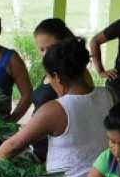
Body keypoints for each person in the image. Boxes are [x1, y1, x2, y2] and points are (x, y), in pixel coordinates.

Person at [0, 36, 112, 177]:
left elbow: (13, 146)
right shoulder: (108, 95)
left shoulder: (55, 109)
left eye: (49, 77)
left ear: (58, 78)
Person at [28, 17, 91, 162]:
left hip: (58, 155)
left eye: (50, 48)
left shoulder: (77, 75)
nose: (45, 54)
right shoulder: (51, 70)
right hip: (40, 150)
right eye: (41, 49)